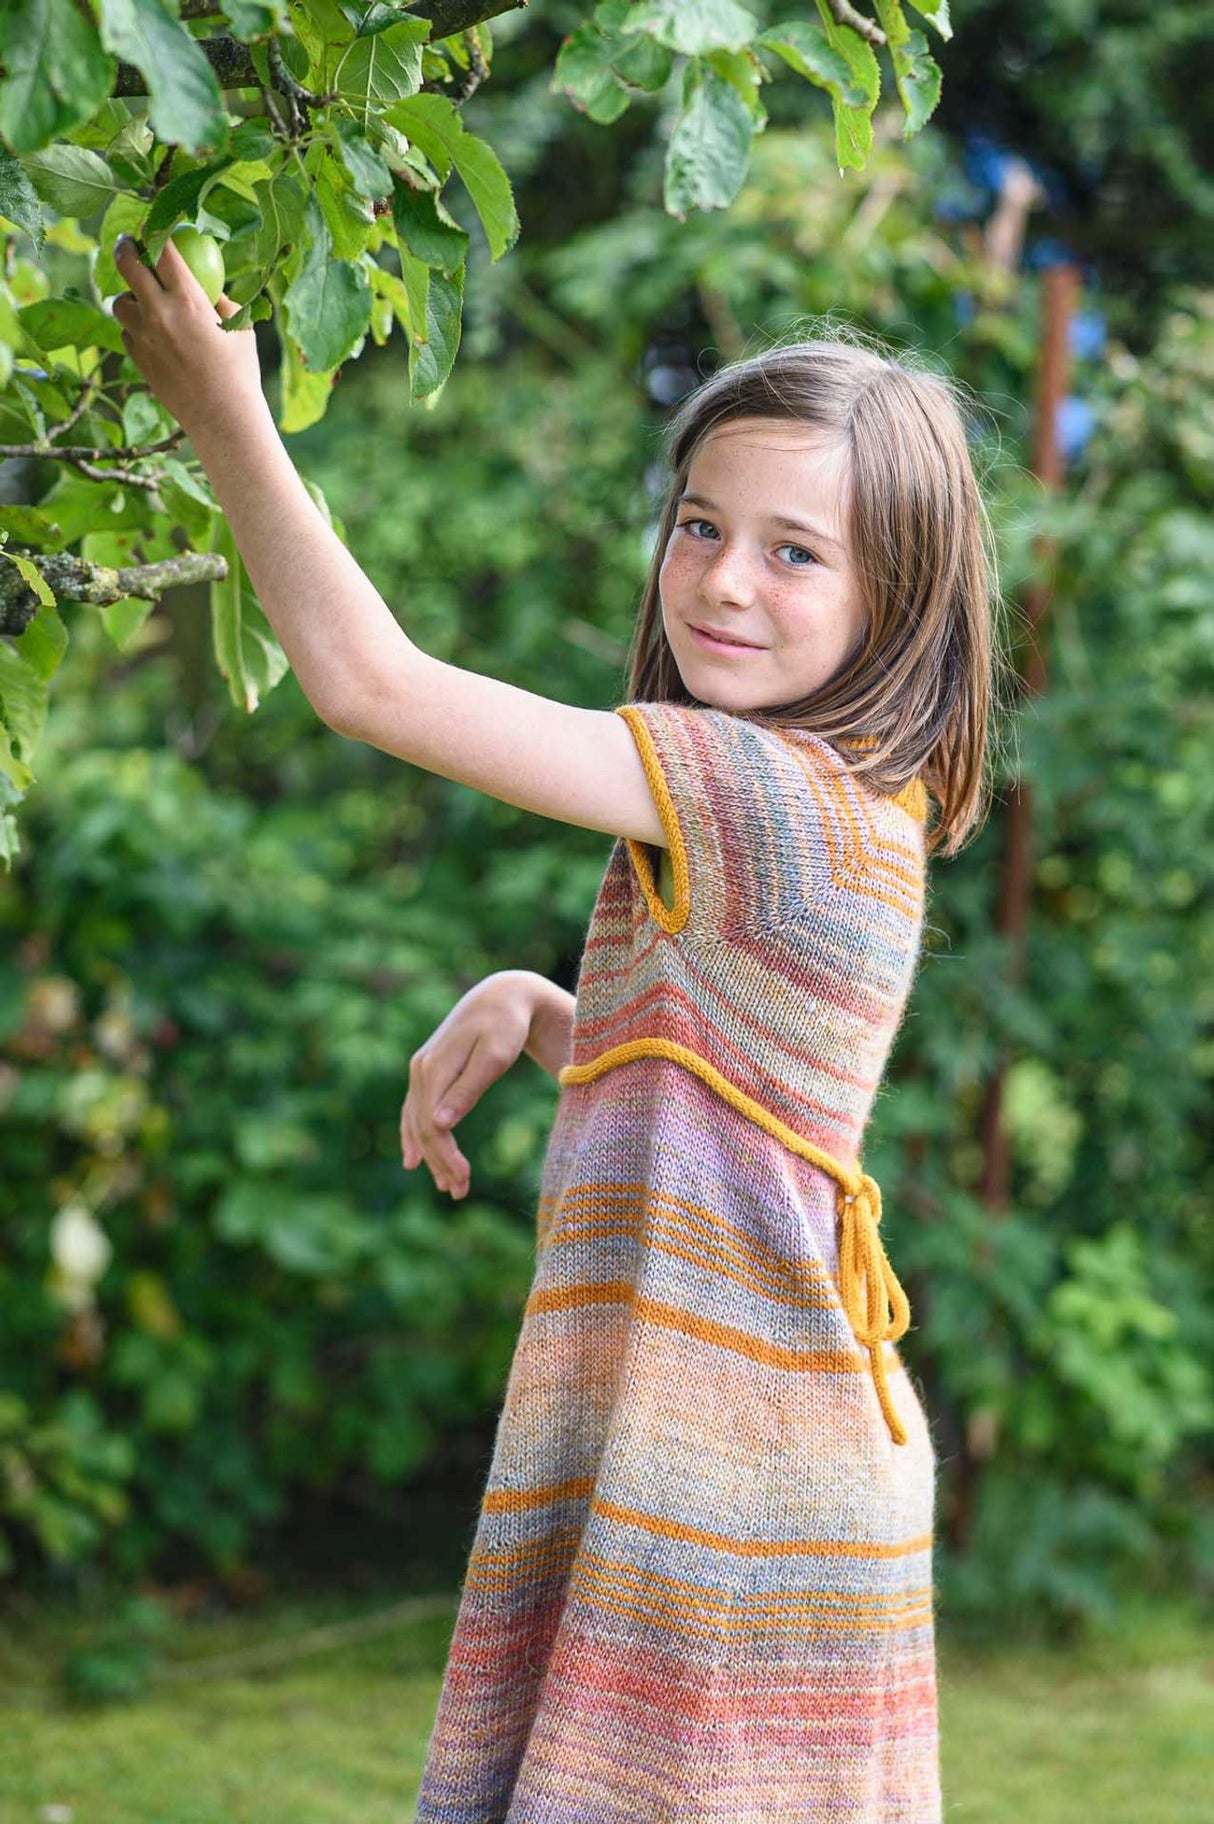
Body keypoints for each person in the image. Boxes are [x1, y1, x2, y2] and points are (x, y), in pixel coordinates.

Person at [113, 233, 998, 1823]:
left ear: (900, 596)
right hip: (752, 1455)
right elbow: (746, 1107)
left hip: (727, 1484)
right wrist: (546, 1015)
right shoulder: (839, 803)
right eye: (701, 525)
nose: (725, 577)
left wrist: (220, 410)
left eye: (797, 553)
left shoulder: (764, 796)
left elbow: (371, 686)